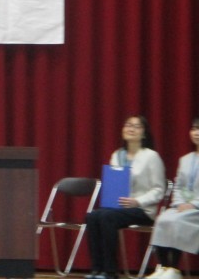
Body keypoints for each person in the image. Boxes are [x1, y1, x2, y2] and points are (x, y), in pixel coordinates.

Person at [85, 115, 166, 279]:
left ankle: (110, 272)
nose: (131, 129)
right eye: (128, 125)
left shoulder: (151, 156)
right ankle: (96, 269)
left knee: (106, 217)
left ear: (144, 133)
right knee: (92, 216)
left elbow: (159, 189)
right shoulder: (117, 155)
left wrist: (137, 201)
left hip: (141, 209)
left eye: (136, 126)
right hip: (118, 207)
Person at [147, 117, 199, 279]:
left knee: (177, 221)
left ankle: (174, 269)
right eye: (194, 129)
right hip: (182, 206)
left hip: (196, 208)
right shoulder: (185, 160)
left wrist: (194, 204)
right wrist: (179, 203)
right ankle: (164, 267)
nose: (196, 133)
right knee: (162, 219)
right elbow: (178, 185)